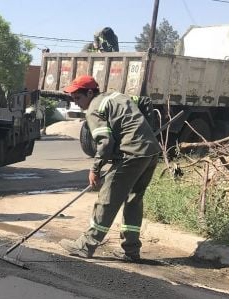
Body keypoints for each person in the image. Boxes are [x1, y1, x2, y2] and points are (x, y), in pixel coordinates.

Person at [58, 75, 160, 262]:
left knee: (107, 199)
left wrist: (95, 169)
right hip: (151, 151)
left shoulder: (94, 108)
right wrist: (147, 131)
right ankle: (130, 250)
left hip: (133, 153)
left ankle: (86, 245)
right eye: (73, 99)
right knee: (133, 200)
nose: (77, 103)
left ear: (90, 92)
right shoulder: (117, 96)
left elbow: (105, 142)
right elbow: (145, 102)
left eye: (78, 98)